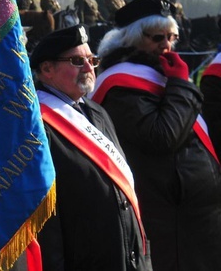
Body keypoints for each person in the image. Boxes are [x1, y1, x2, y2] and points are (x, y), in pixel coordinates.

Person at [91, 0, 221, 271]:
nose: (167, 45)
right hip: (168, 215)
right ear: (133, 39)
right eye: (157, 37)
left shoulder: (158, 72)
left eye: (171, 37)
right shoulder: (120, 82)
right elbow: (162, 136)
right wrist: (181, 85)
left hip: (191, 213)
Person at [30, 25, 151, 270]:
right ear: (47, 69)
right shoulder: (35, 124)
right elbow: (45, 221)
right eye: (77, 60)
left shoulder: (97, 112)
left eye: (91, 59)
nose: (88, 67)